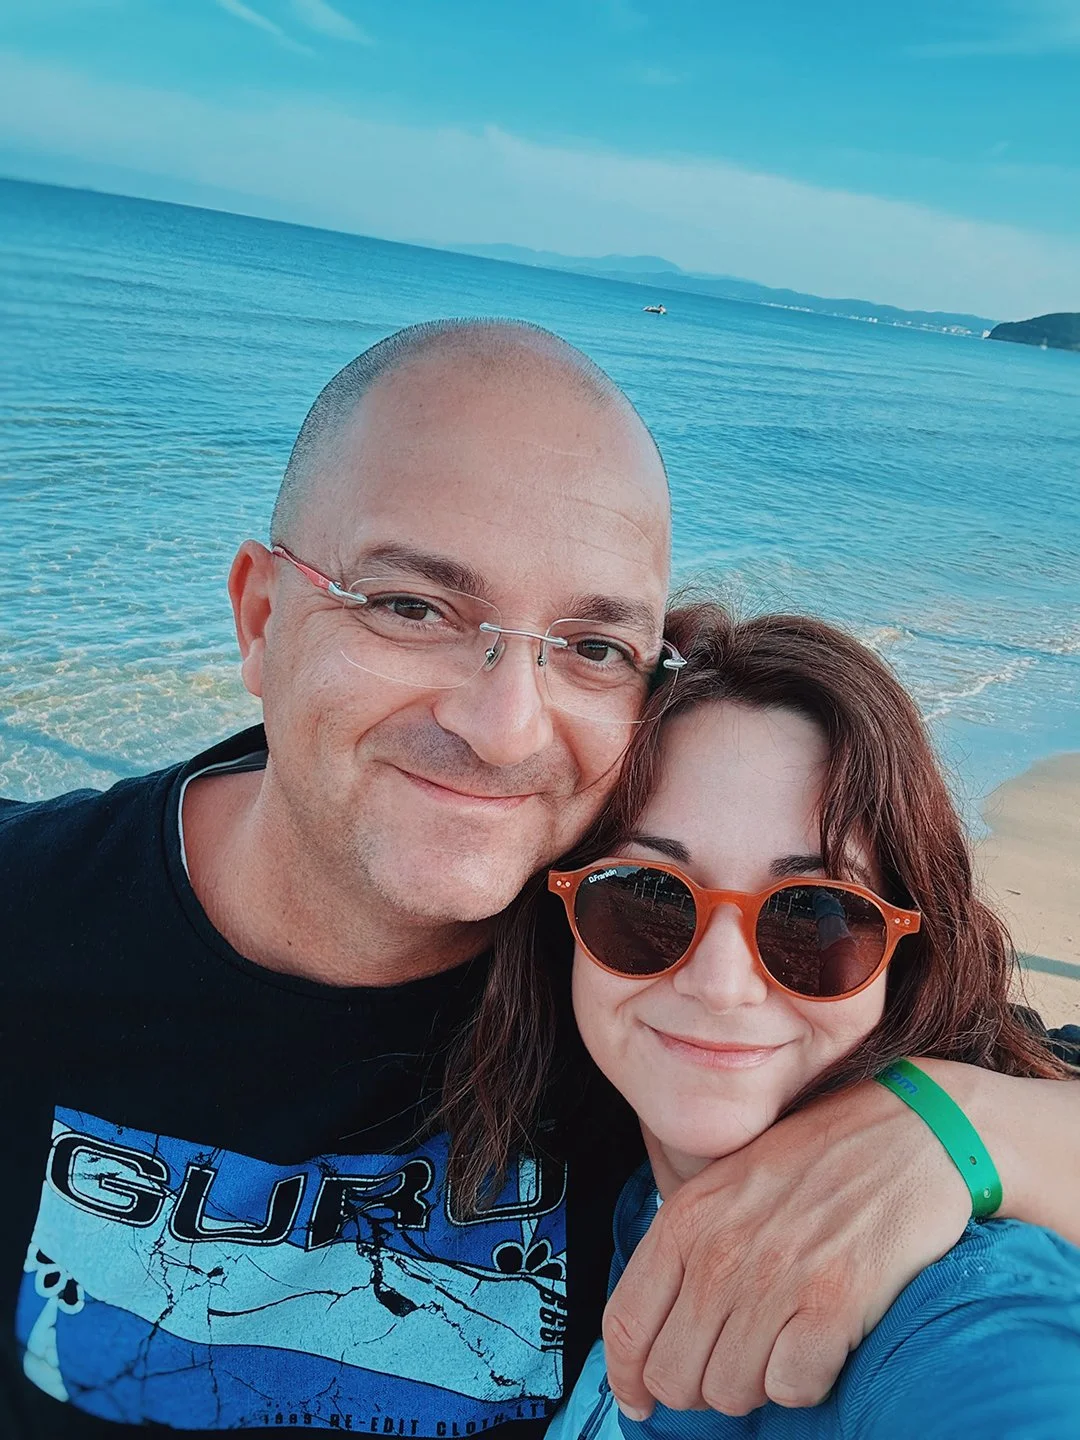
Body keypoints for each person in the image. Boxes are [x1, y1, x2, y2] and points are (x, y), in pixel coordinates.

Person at [1, 319, 1076, 1437]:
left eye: (592, 647)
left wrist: (957, 1131)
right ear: (261, 618)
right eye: (412, 607)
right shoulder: (30, 914)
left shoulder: (639, 966)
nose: (505, 728)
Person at [538, 604, 1080, 1439]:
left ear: (906, 954)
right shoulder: (608, 1161)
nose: (721, 985)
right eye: (647, 897)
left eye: (814, 917)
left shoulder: (955, 1300)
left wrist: (960, 1128)